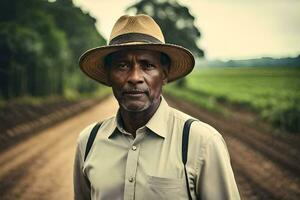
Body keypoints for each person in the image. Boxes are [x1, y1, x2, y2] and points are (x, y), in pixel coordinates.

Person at [73, 14, 240, 200]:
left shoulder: (202, 143)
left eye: (147, 65)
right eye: (122, 65)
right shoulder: (88, 142)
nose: (135, 77)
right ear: (108, 75)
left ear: (164, 74)